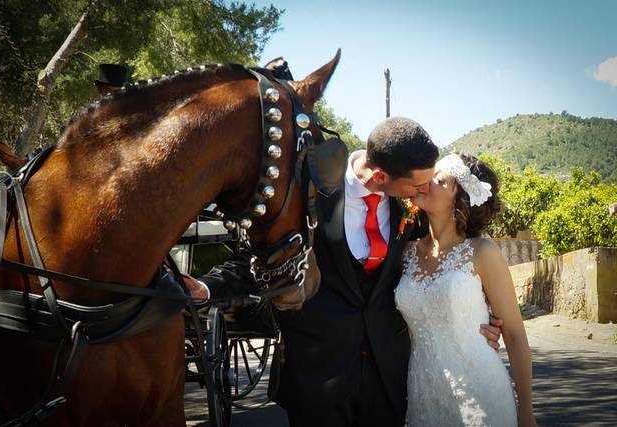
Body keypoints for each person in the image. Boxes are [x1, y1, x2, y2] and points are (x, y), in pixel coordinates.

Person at [186, 117, 503, 426]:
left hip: (388, 381)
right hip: (316, 378)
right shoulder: (307, 191)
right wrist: (206, 288)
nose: (424, 190)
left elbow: (449, 255)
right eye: (417, 185)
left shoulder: (411, 204)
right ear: (380, 177)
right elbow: (261, 259)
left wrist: (477, 316)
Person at [395, 153, 537, 426]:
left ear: (459, 201)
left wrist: (527, 413)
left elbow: (516, 336)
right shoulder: (405, 252)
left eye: (439, 179)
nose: (426, 181)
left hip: (481, 396)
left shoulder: (483, 252)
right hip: (422, 398)